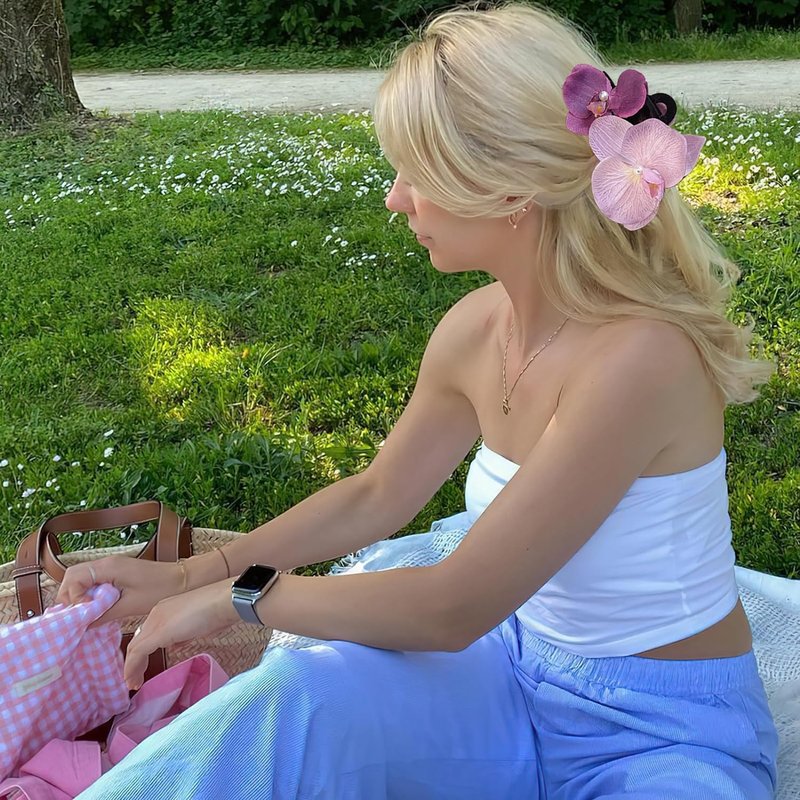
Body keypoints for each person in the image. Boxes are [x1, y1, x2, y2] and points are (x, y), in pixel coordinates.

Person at [60, 3, 779, 798]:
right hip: (507, 679)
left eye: (416, 173)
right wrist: (192, 574)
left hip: (661, 733)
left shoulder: (642, 358)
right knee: (293, 701)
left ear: (508, 190)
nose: (395, 199)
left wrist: (241, 599)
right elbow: (379, 493)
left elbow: (451, 608)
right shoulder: (478, 327)